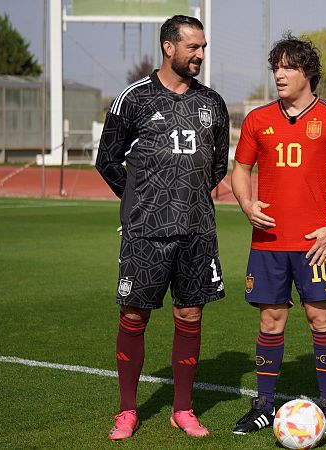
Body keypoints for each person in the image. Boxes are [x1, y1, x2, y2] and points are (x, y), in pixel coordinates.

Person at [96, 15, 229, 440]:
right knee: (134, 315)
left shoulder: (213, 103)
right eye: (193, 47)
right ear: (169, 47)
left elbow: (217, 165)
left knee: (190, 314)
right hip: (145, 232)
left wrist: (183, 198)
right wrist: (141, 201)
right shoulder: (133, 99)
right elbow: (108, 160)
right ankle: (127, 411)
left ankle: (183, 409)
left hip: (197, 230)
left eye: (203, 47)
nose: (200, 55)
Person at [230, 33, 326, 435]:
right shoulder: (258, 120)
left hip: (316, 245)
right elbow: (240, 170)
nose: (279, 74)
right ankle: (263, 405)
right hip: (268, 244)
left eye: (288, 67)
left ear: (308, 73)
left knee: (320, 319)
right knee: (270, 320)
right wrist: (246, 203)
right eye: (276, 67)